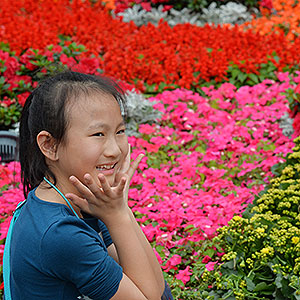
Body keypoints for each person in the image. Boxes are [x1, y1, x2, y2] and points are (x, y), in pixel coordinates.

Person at [5, 71, 173, 299]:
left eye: (120, 131)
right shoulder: (60, 233)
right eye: (98, 134)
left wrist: (118, 209)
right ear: (50, 145)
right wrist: (118, 213)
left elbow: (153, 285)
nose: (115, 150)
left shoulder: (77, 201)